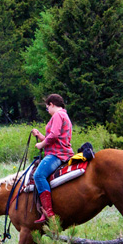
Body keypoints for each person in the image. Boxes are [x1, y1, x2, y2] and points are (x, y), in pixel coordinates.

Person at [31, 93, 74, 224]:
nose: (47, 111)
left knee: (38, 175)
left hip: (57, 154)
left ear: (51, 104)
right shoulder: (63, 115)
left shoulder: (58, 115)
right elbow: (54, 138)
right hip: (60, 151)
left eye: (47, 108)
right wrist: (40, 136)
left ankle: (49, 212)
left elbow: (54, 135)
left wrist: (41, 145)